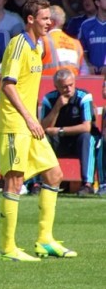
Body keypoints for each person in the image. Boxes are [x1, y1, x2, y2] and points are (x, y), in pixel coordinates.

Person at [0, 0, 76, 262]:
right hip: (14, 123)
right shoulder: (18, 45)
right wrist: (30, 119)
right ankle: (9, 249)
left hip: (29, 124)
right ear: (30, 20)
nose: (49, 23)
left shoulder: (39, 46)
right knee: (15, 181)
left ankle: (45, 240)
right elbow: (7, 85)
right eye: (44, 19)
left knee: (54, 175)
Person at [41, 68, 98, 197]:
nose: (68, 89)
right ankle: (41, 183)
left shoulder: (83, 97)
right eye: (64, 87)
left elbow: (86, 127)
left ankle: (87, 184)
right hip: (59, 142)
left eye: (71, 85)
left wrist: (60, 130)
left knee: (87, 138)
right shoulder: (49, 99)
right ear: (56, 87)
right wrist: (57, 107)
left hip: (77, 140)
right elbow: (44, 127)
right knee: (42, 138)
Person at [40, 5, 87, 76]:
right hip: (72, 85)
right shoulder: (76, 43)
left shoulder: (43, 40)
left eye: (45, 19)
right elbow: (85, 72)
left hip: (48, 85)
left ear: (51, 22)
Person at [78, 0, 106, 75]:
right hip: (93, 76)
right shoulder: (86, 25)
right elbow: (82, 50)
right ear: (97, 2)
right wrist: (88, 65)